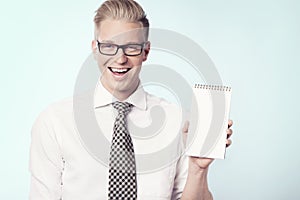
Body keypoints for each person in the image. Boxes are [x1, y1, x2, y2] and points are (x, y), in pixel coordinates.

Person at [29, 0, 233, 199]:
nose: (120, 58)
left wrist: (198, 169)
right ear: (95, 49)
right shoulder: (55, 121)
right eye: (109, 46)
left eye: (131, 47)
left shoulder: (178, 121)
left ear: (146, 51)